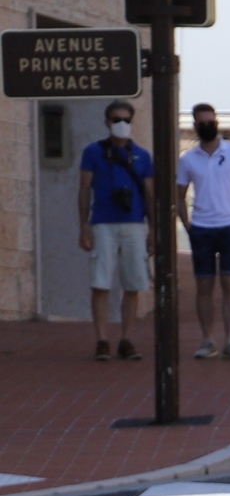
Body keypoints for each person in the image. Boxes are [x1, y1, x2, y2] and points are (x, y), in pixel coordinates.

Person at [173, 103, 230, 361]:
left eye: (211, 121)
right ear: (195, 126)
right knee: (204, 285)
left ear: (217, 122)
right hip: (202, 229)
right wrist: (187, 224)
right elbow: (179, 195)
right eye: (202, 122)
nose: (208, 125)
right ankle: (208, 339)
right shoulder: (188, 160)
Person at [77, 100, 153, 361]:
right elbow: (84, 189)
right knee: (100, 282)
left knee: (133, 283)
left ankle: (127, 338)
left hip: (133, 223)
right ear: (107, 122)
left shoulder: (142, 156)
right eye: (116, 119)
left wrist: (153, 230)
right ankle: (101, 339)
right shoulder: (93, 152)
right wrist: (83, 226)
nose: (122, 124)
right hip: (103, 223)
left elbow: (150, 194)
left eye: (126, 119)